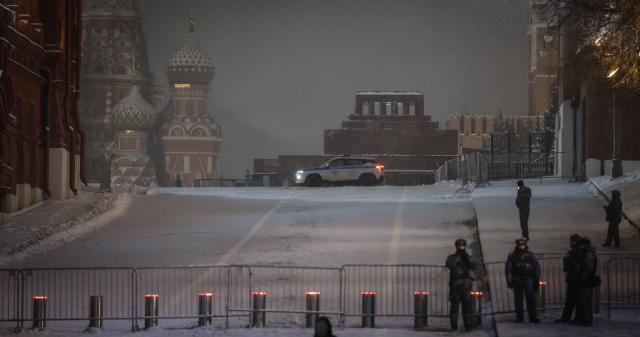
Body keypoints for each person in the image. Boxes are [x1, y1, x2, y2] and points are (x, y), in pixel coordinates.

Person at [505, 238, 541, 323]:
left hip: (528, 280)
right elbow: (508, 270)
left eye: (523, 245)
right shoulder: (512, 255)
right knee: (518, 300)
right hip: (517, 280)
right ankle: (519, 318)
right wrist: (509, 281)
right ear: (517, 245)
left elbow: (536, 268)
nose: (522, 247)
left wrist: (536, 280)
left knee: (530, 299)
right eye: (520, 245)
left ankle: (532, 317)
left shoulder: (531, 255)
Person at [445, 238, 475, 332]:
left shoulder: (468, 257)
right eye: (459, 246)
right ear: (456, 247)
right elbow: (450, 264)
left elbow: (474, 265)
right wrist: (458, 256)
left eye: (462, 246)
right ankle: (454, 326)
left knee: (467, 308)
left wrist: (466, 257)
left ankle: (468, 326)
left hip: (466, 285)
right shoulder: (452, 257)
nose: (461, 248)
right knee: (454, 308)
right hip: (455, 286)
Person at [556, 234, 582, 324]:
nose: (571, 243)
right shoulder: (577, 252)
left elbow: (571, 267)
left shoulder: (576, 253)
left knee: (574, 300)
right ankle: (568, 318)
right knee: (572, 300)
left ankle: (573, 318)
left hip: (575, 279)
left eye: (572, 241)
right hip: (574, 279)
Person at [574, 236, 597, 327]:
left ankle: (587, 320)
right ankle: (583, 319)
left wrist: (582, 277)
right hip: (585, 280)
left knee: (586, 301)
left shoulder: (589, 254)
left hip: (586, 281)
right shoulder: (587, 253)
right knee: (583, 301)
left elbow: (588, 268)